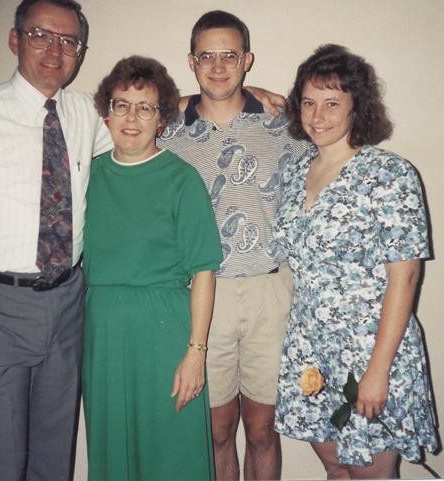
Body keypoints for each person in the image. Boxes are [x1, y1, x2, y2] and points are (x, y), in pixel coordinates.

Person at [0, 1, 112, 480]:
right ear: (15, 40)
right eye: (40, 35)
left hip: (67, 306)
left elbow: (145, 115)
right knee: (2, 463)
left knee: (54, 460)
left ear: (80, 52)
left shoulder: (86, 113)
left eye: (69, 41)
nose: (55, 50)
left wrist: (230, 95)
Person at [273, 44, 439, 479]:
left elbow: (405, 279)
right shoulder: (295, 172)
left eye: (332, 103)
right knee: (335, 467)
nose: (317, 116)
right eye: (308, 102)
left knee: (368, 473)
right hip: (311, 348)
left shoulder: (389, 174)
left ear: (356, 107)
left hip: (370, 349)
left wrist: (377, 372)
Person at [158, 10, 309, 481]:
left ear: (247, 60)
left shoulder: (284, 125)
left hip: (270, 291)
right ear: (191, 61)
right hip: (203, 294)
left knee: (263, 430)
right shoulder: (166, 131)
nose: (219, 66)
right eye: (207, 56)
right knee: (216, 429)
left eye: (229, 55)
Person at [83, 55, 222, 481]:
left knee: (171, 452)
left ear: (161, 120)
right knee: (114, 449)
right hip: (104, 333)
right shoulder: (87, 176)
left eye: (145, 108)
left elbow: (204, 272)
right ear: (106, 114)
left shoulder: (182, 179)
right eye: (122, 105)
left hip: (165, 333)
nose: (132, 117)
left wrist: (195, 353)